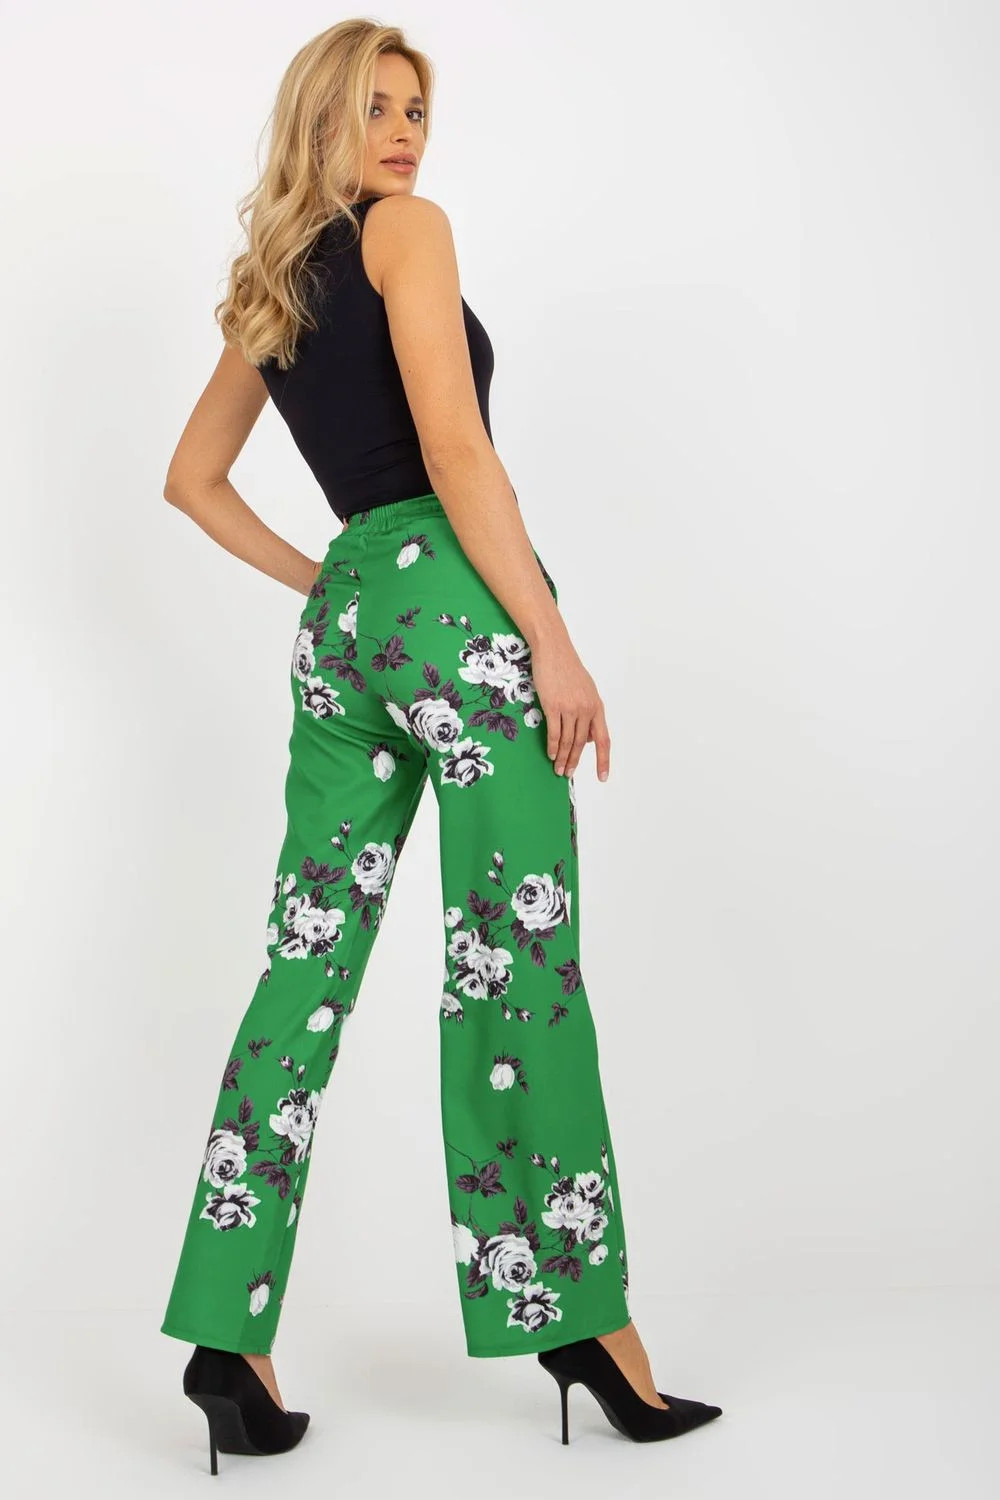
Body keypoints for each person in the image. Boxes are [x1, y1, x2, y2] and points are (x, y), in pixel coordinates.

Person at [159, 19, 722, 1469]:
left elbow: (192, 480)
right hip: (460, 612)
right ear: (321, 123)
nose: (406, 133)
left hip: (349, 624)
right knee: (514, 960)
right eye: (376, 107)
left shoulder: (270, 285)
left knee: (303, 967)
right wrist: (549, 636)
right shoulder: (406, 232)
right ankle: (578, 1319)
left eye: (417, 109)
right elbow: (457, 446)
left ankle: (227, 1332)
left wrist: (335, 586)